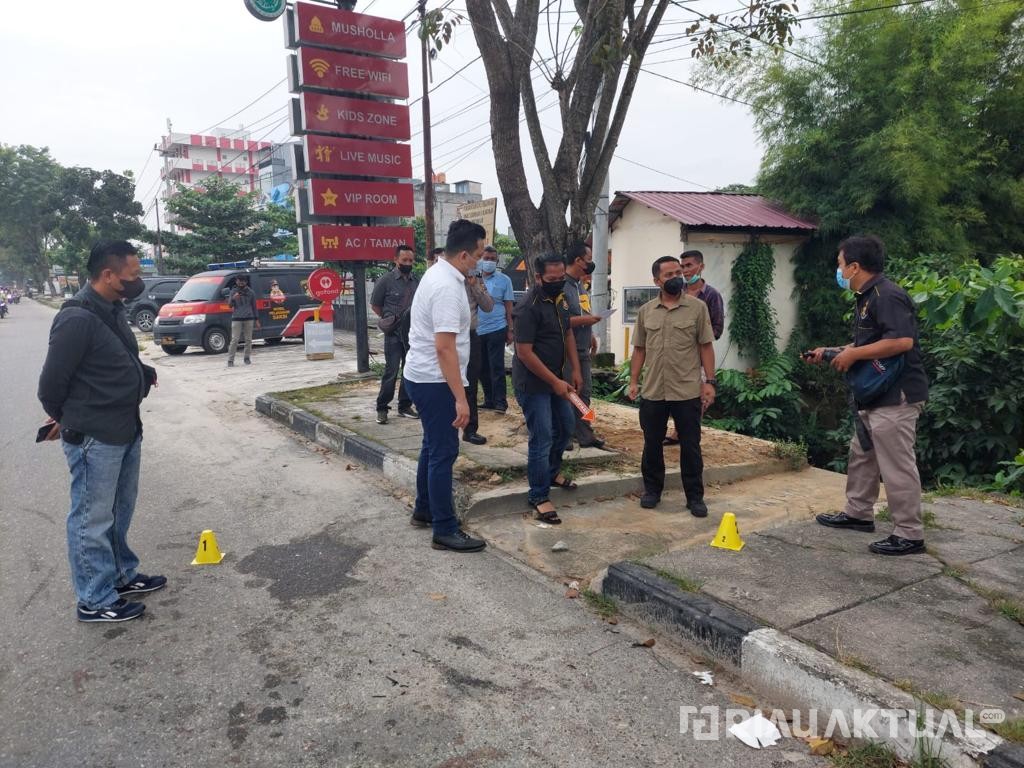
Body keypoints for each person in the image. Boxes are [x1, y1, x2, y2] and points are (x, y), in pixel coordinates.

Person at [37, 241, 165, 623]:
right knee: (91, 520)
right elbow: (50, 387)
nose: (139, 281)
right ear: (108, 275)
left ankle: (121, 575)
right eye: (133, 275)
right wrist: (71, 419)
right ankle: (93, 598)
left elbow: (110, 361)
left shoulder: (112, 309)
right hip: (95, 436)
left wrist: (141, 374)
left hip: (125, 427)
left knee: (118, 511)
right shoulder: (76, 318)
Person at [808, 235, 930, 556]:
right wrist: (832, 351)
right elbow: (867, 345)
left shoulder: (887, 295)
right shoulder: (866, 297)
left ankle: (909, 533)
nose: (838, 271)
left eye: (840, 265)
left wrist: (854, 355)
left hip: (896, 395)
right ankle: (858, 513)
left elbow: (901, 341)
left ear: (854, 266)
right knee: (862, 454)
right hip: (874, 394)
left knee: (896, 463)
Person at [403, 220, 489, 552]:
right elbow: (444, 348)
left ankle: (424, 510)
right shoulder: (447, 288)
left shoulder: (438, 274)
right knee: (444, 452)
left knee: (432, 446)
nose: (480, 262)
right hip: (435, 380)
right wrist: (461, 399)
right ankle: (444, 528)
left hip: (423, 375)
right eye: (478, 255)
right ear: (464, 254)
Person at [628, 256, 716, 518]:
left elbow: (706, 346)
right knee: (652, 444)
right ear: (657, 281)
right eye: (669, 275)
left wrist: (709, 382)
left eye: (679, 272)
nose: (677, 277)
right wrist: (633, 381)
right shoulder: (646, 311)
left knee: (691, 446)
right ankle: (652, 491)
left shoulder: (697, 308)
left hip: (686, 390)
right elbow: (639, 349)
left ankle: (695, 497)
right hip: (654, 390)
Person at [512, 254, 583, 525]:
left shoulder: (561, 299)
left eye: (561, 278)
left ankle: (551, 472)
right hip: (534, 385)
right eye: (552, 279)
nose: (558, 282)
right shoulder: (527, 307)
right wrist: (555, 382)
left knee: (565, 428)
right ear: (539, 277)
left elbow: (568, 333)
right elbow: (524, 353)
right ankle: (539, 495)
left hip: (558, 380)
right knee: (541, 438)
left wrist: (575, 370)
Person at [664, 249, 725, 446]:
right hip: (676, 356)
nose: (685, 270)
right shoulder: (677, 292)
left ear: (701, 266)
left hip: (698, 357)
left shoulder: (711, 295)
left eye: (689, 265)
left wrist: (696, 336)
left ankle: (685, 434)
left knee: (698, 396)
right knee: (675, 394)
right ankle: (679, 430)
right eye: (682, 266)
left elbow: (717, 328)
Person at [563, 241, 606, 449]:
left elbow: (583, 313)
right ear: (578, 260)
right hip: (565, 351)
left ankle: (584, 433)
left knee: (584, 392)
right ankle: (566, 434)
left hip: (583, 347)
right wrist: (586, 321)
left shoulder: (580, 286)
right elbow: (560, 321)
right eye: (588, 260)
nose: (591, 264)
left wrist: (590, 335)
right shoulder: (561, 286)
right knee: (569, 393)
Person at [371, 244, 419, 424]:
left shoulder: (416, 281)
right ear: (396, 260)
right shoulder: (386, 280)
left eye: (410, 260)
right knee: (391, 371)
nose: (408, 263)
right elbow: (375, 305)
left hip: (412, 334)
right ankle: (382, 408)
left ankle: (404, 406)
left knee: (409, 370)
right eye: (404, 260)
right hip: (393, 334)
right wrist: (389, 320)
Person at [477, 245, 515, 414]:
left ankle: (500, 402)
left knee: (496, 366)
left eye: (493, 259)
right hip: (477, 329)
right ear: (480, 259)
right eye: (486, 258)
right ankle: (489, 400)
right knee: (481, 367)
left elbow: (509, 306)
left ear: (497, 261)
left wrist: (510, 329)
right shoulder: (473, 278)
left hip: (497, 328)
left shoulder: (504, 280)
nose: (489, 262)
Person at [462, 264, 495, 445]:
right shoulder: (446, 279)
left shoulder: (476, 279)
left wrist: (475, 285)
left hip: (471, 336)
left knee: (471, 383)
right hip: (449, 336)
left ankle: (470, 429)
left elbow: (488, 306)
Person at [227, 273, 260, 367]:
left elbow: (254, 307)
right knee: (234, 340)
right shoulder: (233, 292)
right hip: (236, 318)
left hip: (249, 318)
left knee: (248, 340)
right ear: (236, 281)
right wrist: (233, 299)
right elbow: (229, 305)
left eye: (243, 281)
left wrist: (257, 320)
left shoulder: (251, 292)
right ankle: (230, 360)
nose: (241, 283)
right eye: (239, 281)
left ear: (246, 282)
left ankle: (247, 358)